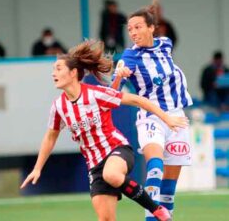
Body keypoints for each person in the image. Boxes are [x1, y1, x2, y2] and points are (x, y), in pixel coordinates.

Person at [21, 40, 189, 221]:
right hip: (94, 165)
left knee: (112, 175)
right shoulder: (58, 107)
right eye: (53, 69)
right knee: (106, 219)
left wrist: (167, 118)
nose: (53, 73)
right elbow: (50, 137)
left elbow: (138, 100)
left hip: (117, 149)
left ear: (73, 72)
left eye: (58, 68)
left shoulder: (95, 94)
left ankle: (157, 211)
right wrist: (37, 168)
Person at [111, 1, 193, 221]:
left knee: (169, 187)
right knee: (155, 167)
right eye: (130, 29)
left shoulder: (165, 44)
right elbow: (111, 93)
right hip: (151, 116)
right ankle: (149, 218)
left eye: (138, 27)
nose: (133, 32)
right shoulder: (129, 56)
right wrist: (120, 75)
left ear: (151, 28)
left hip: (177, 117)